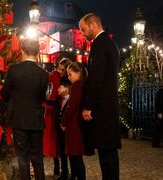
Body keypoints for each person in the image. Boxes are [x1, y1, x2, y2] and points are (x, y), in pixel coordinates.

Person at [79, 13, 121, 180]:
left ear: (94, 24)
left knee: (107, 152)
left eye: (83, 29)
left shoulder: (99, 44)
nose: (82, 33)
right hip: (109, 105)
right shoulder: (110, 43)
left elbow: (96, 78)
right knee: (108, 152)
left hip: (103, 108)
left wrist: (88, 106)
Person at [0, 38, 49, 180]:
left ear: (22, 51)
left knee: (23, 158)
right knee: (37, 158)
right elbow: (42, 97)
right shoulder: (44, 74)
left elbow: (4, 93)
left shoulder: (14, 70)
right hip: (36, 121)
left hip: (19, 120)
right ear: (37, 52)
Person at [43, 58, 72, 178]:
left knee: (62, 141)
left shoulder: (69, 80)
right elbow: (44, 80)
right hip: (52, 109)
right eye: (58, 68)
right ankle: (56, 167)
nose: (59, 71)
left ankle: (64, 169)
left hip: (62, 108)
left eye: (62, 69)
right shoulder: (54, 75)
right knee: (53, 138)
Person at [61, 62, 87, 180]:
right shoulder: (81, 86)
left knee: (75, 157)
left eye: (70, 74)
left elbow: (71, 107)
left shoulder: (77, 86)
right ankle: (74, 177)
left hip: (74, 126)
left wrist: (63, 122)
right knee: (75, 156)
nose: (68, 77)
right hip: (76, 126)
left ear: (78, 73)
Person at [55, 80, 71, 180]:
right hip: (60, 131)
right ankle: (64, 172)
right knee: (62, 153)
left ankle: (74, 174)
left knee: (73, 155)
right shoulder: (59, 100)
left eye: (60, 87)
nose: (58, 90)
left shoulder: (71, 99)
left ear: (66, 88)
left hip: (69, 131)